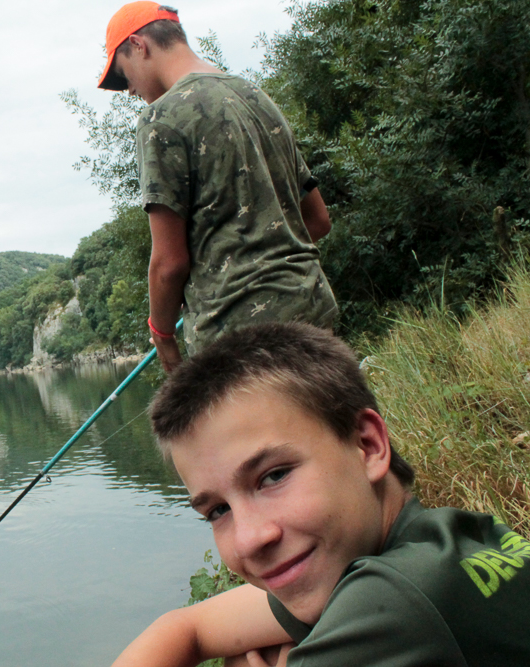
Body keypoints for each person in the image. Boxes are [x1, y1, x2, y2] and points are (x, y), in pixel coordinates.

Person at [110, 322, 530, 666]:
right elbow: (184, 628)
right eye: (218, 510)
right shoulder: (443, 541)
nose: (249, 539)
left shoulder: (391, 602)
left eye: (273, 477)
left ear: (368, 446)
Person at [98, 3, 338, 372]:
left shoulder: (160, 119)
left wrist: (161, 334)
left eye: (122, 73)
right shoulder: (256, 97)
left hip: (239, 338)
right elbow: (318, 219)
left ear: (139, 44)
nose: (128, 89)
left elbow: (169, 264)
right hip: (312, 307)